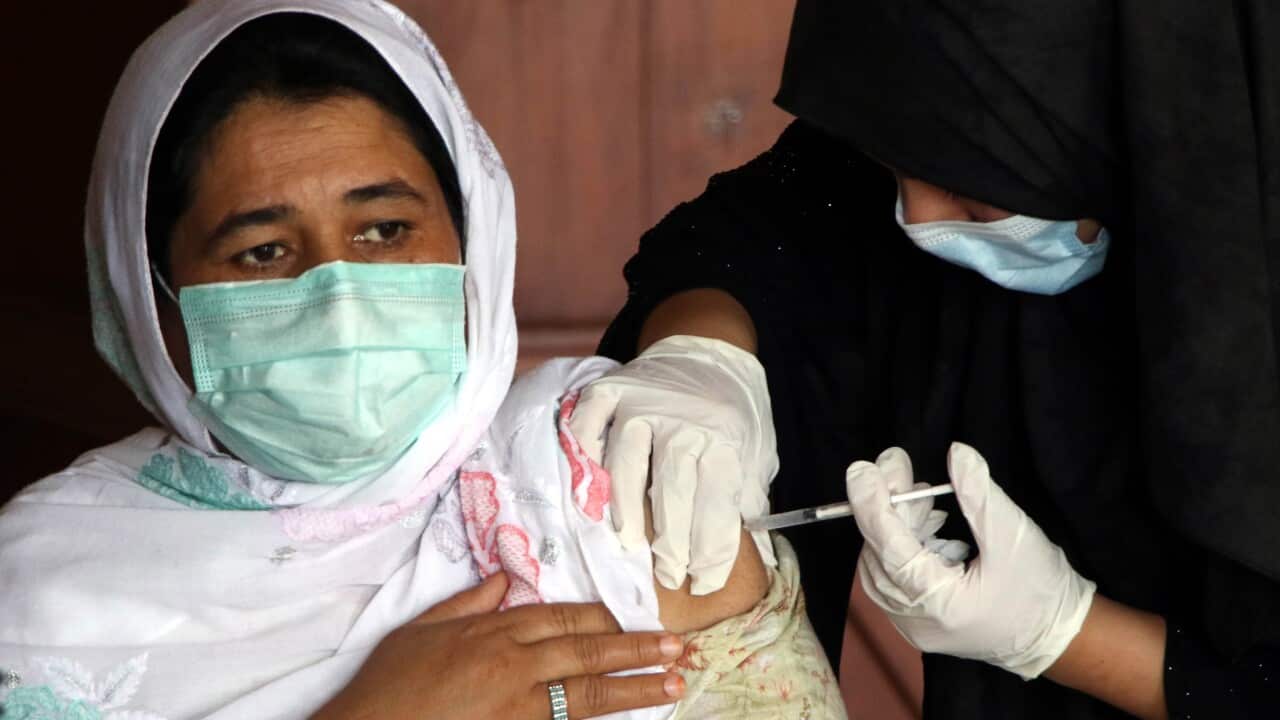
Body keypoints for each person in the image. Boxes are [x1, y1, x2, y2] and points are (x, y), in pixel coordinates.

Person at [0, 2, 845, 719]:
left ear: (471, 239)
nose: (338, 295)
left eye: (384, 231)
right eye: (260, 251)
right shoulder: (41, 588)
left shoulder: (616, 474)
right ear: (156, 298)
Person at [577, 1, 1280, 718]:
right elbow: (759, 235)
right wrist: (703, 358)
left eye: (972, 203)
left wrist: (1064, 633)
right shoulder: (933, 115)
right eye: (892, 172)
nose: (915, 223)